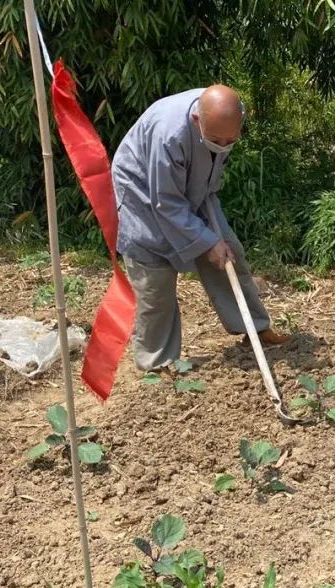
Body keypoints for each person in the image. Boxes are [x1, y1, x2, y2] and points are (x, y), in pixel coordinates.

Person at [111, 84, 288, 372]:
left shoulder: (223, 117)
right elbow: (165, 201)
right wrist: (206, 242)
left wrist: (214, 242)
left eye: (231, 139)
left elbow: (206, 175)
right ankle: (157, 362)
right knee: (155, 281)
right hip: (144, 196)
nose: (224, 144)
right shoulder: (168, 134)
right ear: (197, 120)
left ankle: (255, 329)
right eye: (217, 139)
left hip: (196, 192)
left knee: (230, 254)